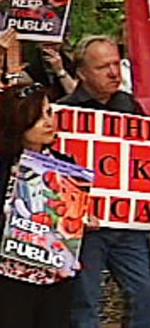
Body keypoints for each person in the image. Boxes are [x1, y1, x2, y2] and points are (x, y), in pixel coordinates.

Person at [60, 35, 150, 327]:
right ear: (82, 74)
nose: (114, 72)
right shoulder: (63, 112)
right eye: (103, 67)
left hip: (128, 225)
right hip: (87, 227)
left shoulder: (131, 108)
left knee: (144, 291)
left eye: (116, 63)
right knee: (83, 298)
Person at [0, 83, 79, 327]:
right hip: (7, 284)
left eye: (49, 113)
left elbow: (71, 219)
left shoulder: (67, 165)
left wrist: (82, 220)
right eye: (37, 116)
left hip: (55, 282)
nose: (48, 122)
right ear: (18, 121)